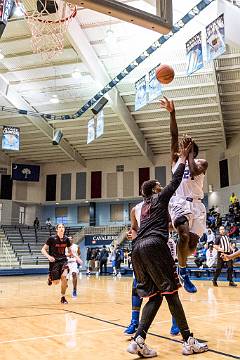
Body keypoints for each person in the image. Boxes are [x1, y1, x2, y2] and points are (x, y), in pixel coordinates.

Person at [127, 138, 208, 357]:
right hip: (154, 246)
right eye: (158, 186)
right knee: (171, 293)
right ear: (154, 190)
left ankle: (138, 340)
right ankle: (189, 340)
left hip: (137, 250)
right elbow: (175, 179)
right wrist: (183, 155)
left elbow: (138, 228)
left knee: (155, 296)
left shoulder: (141, 206)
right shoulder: (161, 198)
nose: (162, 186)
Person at [160, 96, 208, 293]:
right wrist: (172, 113)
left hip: (197, 206)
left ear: (192, 151)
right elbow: (173, 135)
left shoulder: (201, 162)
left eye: (185, 148)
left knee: (191, 244)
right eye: (181, 147)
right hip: (179, 202)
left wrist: (188, 154)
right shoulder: (175, 160)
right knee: (184, 234)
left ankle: (179, 262)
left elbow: (194, 170)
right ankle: (183, 272)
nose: (180, 148)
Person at [124, 201, 180, 337]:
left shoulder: (163, 204)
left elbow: (174, 226)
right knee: (137, 287)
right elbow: (134, 229)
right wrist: (132, 235)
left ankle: (176, 322)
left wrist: (156, 227)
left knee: (169, 288)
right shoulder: (136, 209)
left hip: (163, 245)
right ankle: (134, 321)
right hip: (144, 248)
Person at [41, 223, 71, 304]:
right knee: (56, 282)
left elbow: (69, 251)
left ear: (64, 229)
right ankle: (50, 278)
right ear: (57, 229)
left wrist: (71, 254)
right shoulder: (52, 238)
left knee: (64, 278)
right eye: (60, 227)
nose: (61, 228)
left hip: (63, 260)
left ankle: (63, 297)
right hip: (54, 261)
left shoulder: (67, 239)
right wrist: (48, 257)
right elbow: (43, 250)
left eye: (63, 227)